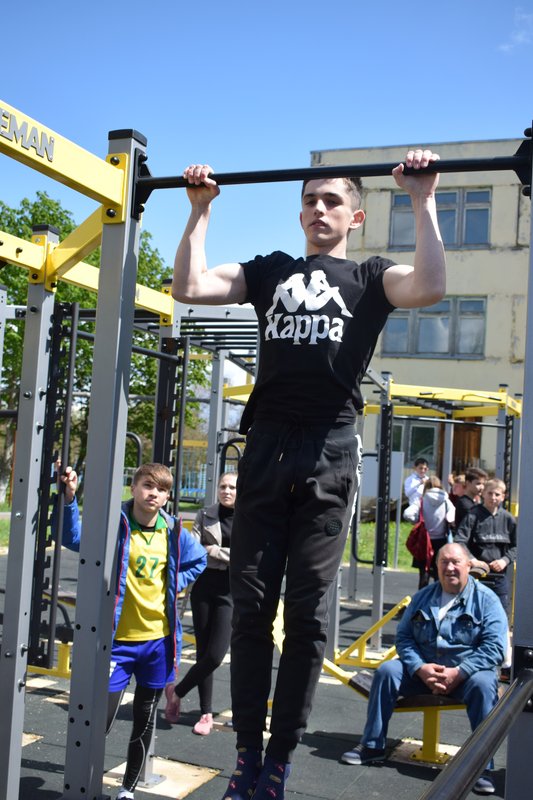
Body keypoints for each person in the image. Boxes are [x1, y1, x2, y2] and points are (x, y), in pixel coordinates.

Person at [171, 149, 446, 800]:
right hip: (266, 448)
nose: (319, 209)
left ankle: (279, 758)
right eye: (309, 201)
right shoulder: (270, 271)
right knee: (250, 611)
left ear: (355, 216)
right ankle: (247, 752)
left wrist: (423, 197)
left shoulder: (370, 278)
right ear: (299, 214)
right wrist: (199, 212)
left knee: (306, 619)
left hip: (329, 450)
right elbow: (189, 287)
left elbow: (430, 286)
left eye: (331, 201)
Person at [56, 462, 207, 800]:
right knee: (99, 720)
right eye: (148, 486)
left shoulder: (173, 530)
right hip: (118, 643)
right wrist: (68, 498)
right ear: (134, 487)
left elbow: (198, 560)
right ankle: (84, 784)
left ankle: (127, 790)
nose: (154, 494)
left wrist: (175, 582)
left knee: (144, 720)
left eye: (162, 489)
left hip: (157, 642)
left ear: (167, 497)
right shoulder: (116, 524)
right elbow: (73, 537)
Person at [341, 542, 508, 795]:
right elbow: (404, 638)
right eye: (444, 562)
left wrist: (459, 672)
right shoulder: (423, 597)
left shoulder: (486, 600)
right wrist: (420, 668)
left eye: (456, 562)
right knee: (387, 672)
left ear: (468, 565)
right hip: (423, 672)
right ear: (436, 566)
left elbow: (494, 647)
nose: (449, 568)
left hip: (467, 675)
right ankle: (372, 746)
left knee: (484, 684)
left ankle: (482, 767)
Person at [166, 472, 237, 735]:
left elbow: (245, 556)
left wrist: (213, 550)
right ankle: (205, 713)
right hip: (204, 587)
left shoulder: (249, 517)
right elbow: (194, 551)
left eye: (232, 487)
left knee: (216, 655)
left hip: (230, 590)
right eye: (223, 486)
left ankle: (177, 691)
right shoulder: (205, 514)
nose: (226, 491)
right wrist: (216, 553)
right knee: (203, 650)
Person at [454, 478, 517, 615]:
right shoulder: (472, 516)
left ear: (503, 496)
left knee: (500, 615)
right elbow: (459, 541)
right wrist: (472, 559)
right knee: (472, 614)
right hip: (475, 576)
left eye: (497, 494)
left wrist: (504, 560)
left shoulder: (509, 519)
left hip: (499, 578)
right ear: (483, 494)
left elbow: (517, 547)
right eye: (490, 493)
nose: (493, 497)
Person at [413, 476, 455, 589]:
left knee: (424, 572)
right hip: (441, 541)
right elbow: (451, 517)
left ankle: (422, 596)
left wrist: (416, 520)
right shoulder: (446, 500)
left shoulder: (422, 500)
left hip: (424, 540)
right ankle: (439, 595)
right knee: (440, 571)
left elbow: (409, 514)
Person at [403, 457, 429, 523]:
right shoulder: (410, 479)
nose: (423, 471)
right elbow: (407, 494)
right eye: (420, 468)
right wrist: (419, 483)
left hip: (427, 505)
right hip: (415, 505)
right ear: (415, 468)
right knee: (407, 514)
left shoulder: (428, 480)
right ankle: (418, 522)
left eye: (425, 469)